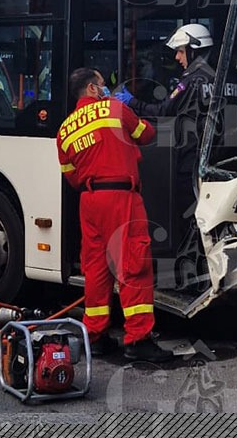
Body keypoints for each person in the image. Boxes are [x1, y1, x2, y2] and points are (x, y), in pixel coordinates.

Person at [57, 67, 172, 363]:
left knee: (96, 269)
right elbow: (146, 134)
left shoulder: (65, 129)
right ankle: (138, 339)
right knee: (133, 265)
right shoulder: (114, 108)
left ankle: (94, 335)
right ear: (93, 89)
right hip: (121, 198)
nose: (106, 88)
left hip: (89, 201)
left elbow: (70, 176)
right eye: (103, 84)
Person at [114, 23, 218, 182]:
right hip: (215, 158)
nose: (177, 57)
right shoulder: (221, 78)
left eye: (181, 52)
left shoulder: (193, 81)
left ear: (194, 51)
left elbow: (163, 111)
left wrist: (132, 102)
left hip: (193, 159)